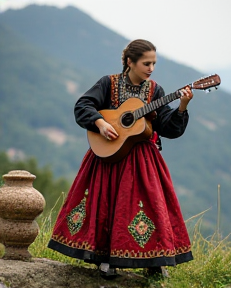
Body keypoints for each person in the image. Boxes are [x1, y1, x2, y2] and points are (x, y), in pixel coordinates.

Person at [48, 39, 194, 279]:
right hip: (108, 156)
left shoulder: (155, 90)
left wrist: (182, 107)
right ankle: (105, 259)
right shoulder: (108, 83)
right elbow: (83, 105)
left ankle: (153, 261)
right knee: (107, 203)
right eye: (146, 63)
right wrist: (101, 123)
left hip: (142, 161)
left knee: (149, 205)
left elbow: (169, 128)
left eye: (154, 63)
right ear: (130, 62)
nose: (151, 68)